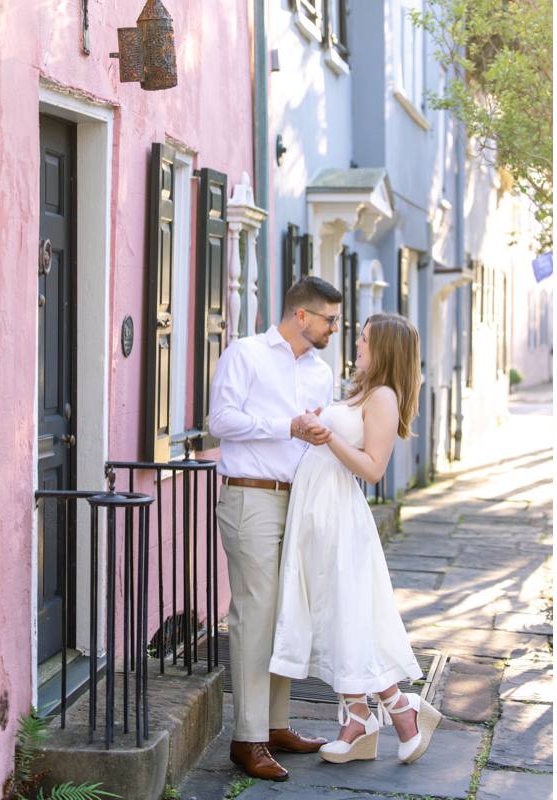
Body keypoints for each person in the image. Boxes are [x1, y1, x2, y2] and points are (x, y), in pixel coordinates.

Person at [270, 312, 442, 765]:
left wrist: (326, 439)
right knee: (332, 616)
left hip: (340, 517)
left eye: (365, 340)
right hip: (316, 515)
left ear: (383, 348)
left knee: (349, 615)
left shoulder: (383, 396)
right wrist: (312, 427)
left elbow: (373, 468)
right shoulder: (360, 391)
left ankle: (399, 710)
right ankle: (358, 718)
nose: (358, 345)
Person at [208, 276, 342, 782]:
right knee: (256, 613)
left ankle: (277, 724)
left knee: (289, 610)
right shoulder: (246, 354)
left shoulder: (321, 372)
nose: (335, 327)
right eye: (330, 319)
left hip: (300, 499)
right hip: (251, 496)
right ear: (301, 316)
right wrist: (285, 425)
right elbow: (220, 420)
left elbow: (312, 439)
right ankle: (247, 738)